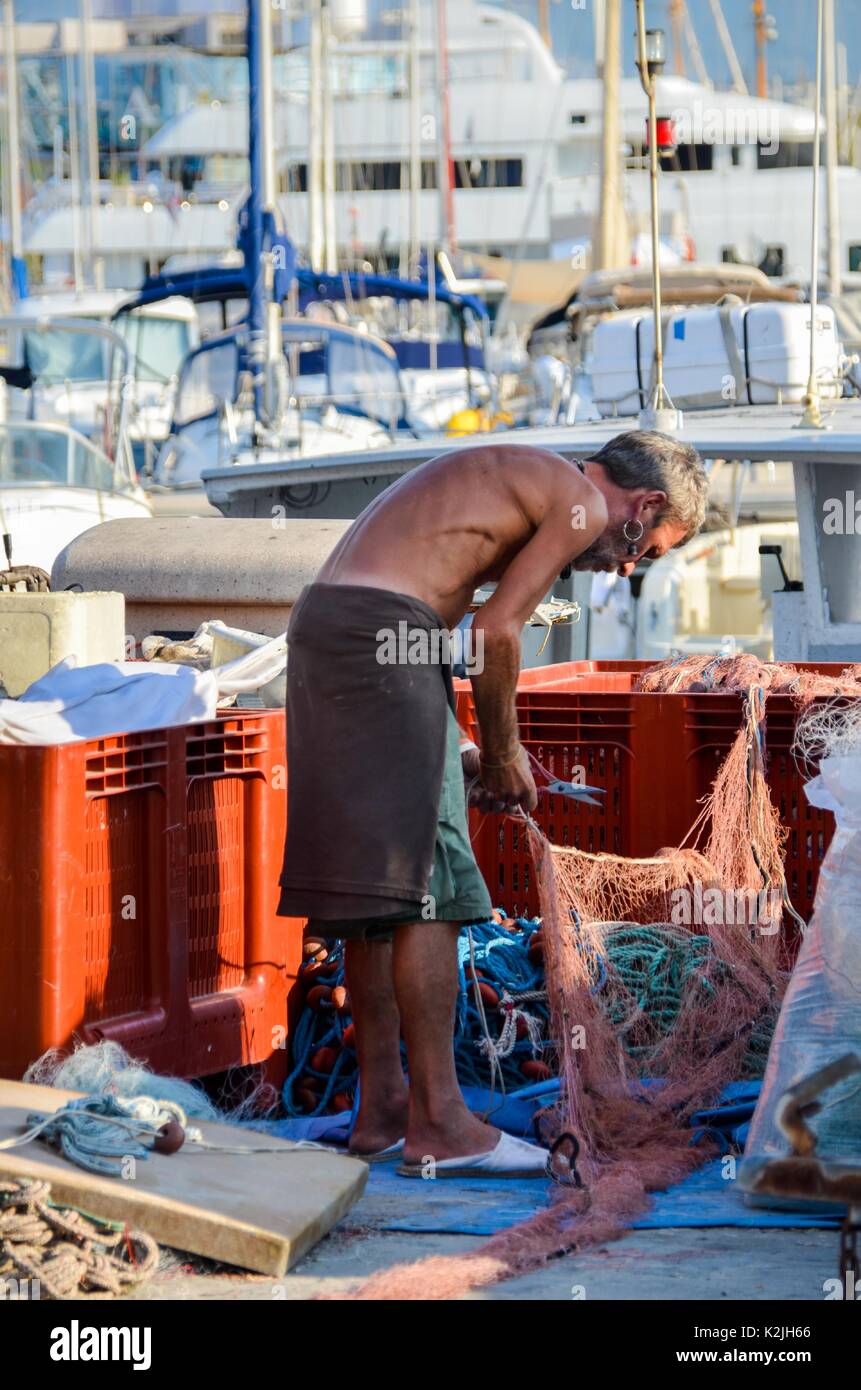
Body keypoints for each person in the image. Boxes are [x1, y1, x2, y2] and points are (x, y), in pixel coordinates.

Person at [278, 430, 707, 1177]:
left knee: (376, 893)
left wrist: (466, 750)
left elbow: (416, 628)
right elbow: (494, 631)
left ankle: (382, 1113)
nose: (624, 566)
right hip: (382, 631)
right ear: (644, 505)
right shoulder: (577, 502)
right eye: (644, 550)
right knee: (433, 891)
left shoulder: (521, 479)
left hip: (330, 628)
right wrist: (506, 755)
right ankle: (442, 1123)